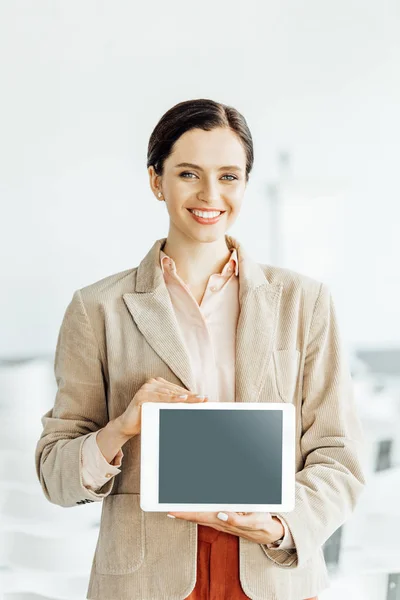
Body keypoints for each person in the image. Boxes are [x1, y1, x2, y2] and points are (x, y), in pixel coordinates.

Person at [35, 98, 366, 600]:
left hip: (273, 573)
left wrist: (281, 523)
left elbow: (339, 456)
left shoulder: (304, 303)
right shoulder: (96, 309)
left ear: (246, 184)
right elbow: (56, 475)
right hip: (146, 580)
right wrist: (122, 426)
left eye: (229, 176)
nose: (211, 194)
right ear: (156, 181)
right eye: (189, 173)